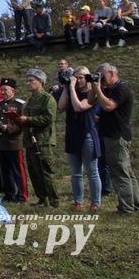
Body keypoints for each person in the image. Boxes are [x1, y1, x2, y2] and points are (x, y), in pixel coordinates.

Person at [89, 63, 139, 215]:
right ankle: (136, 204)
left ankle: (126, 208)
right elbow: (91, 101)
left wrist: (98, 88)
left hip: (117, 136)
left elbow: (108, 106)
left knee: (119, 172)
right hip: (112, 135)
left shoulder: (121, 89)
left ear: (112, 73)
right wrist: (95, 86)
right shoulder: (108, 89)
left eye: (102, 75)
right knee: (126, 171)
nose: (100, 78)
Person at [59, 67, 102, 211]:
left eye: (81, 78)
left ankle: (95, 203)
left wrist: (71, 88)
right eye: (75, 77)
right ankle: (78, 202)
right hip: (72, 134)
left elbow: (79, 107)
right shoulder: (72, 90)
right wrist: (66, 87)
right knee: (76, 173)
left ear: (87, 78)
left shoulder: (92, 93)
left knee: (92, 171)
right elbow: (60, 106)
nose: (77, 80)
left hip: (87, 134)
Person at [17, 68, 59, 207]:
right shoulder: (30, 100)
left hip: (43, 140)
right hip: (30, 140)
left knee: (45, 171)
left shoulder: (47, 99)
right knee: (34, 171)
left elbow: (49, 118)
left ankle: (53, 200)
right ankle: (42, 198)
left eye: (31, 81)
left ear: (40, 82)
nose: (28, 83)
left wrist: (28, 119)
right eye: (27, 81)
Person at [0, 78, 27, 203]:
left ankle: (22, 195)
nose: (3, 92)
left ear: (13, 91)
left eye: (5, 90)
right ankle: (9, 194)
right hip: (0, 142)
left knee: (17, 170)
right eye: (2, 90)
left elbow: (22, 123)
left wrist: (8, 128)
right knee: (4, 170)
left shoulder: (20, 105)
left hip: (14, 142)